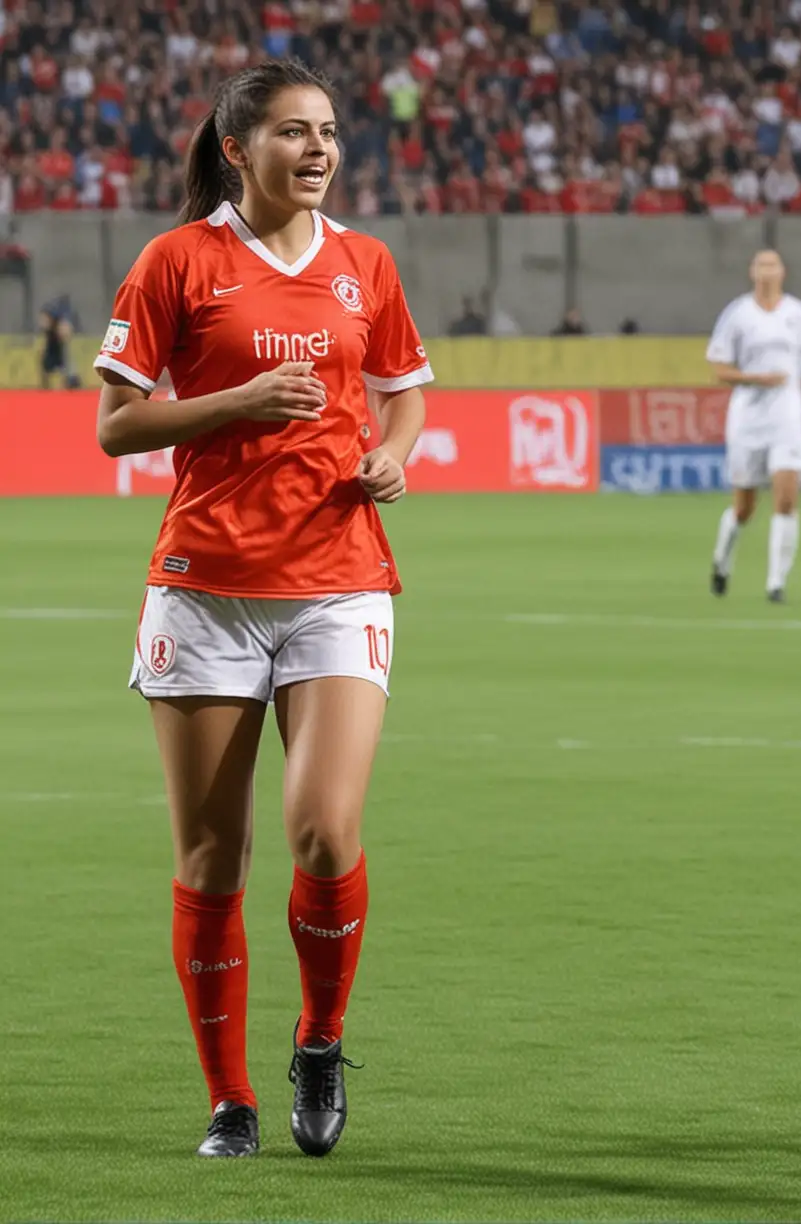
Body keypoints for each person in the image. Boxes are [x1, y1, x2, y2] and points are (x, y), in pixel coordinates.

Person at [90, 59, 433, 1161]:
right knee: (213, 857)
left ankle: (321, 1041)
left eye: (329, 132)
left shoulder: (364, 264)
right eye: (295, 133)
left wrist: (392, 453)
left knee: (325, 831)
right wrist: (233, 402)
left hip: (337, 576)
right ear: (239, 151)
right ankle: (229, 1101)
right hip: (204, 590)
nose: (321, 149)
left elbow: (405, 389)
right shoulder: (177, 261)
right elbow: (114, 425)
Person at [705, 249, 801, 602]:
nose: (766, 271)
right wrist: (757, 378)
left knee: (786, 499)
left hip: (787, 416)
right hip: (748, 418)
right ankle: (722, 560)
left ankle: (775, 583)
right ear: (752, 272)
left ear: (782, 272)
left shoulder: (797, 313)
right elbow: (719, 368)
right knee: (745, 506)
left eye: (772, 265)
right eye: (761, 265)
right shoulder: (738, 314)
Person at [39, 294, 82, 389]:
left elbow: (66, 333)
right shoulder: (49, 332)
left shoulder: (64, 323)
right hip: (52, 349)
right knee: (46, 366)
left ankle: (70, 383)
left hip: (61, 350)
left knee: (66, 366)